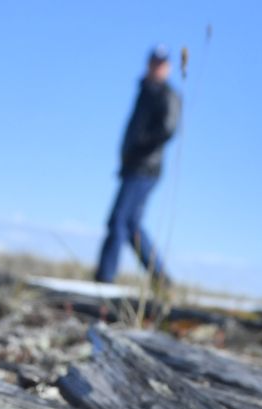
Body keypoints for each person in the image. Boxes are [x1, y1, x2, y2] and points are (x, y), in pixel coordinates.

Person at [95, 46, 181, 286]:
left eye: (161, 63)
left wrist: (140, 146)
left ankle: (105, 277)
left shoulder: (166, 95)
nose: (155, 67)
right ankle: (162, 280)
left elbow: (168, 128)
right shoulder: (145, 91)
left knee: (119, 220)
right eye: (153, 62)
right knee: (131, 224)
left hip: (145, 167)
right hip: (133, 165)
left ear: (168, 67)